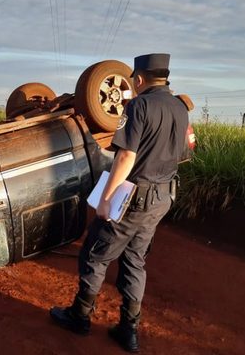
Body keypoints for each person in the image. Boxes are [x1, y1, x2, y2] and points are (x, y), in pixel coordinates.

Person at [49, 54, 189, 353]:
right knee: (135, 259)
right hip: (162, 197)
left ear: (138, 79)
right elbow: (182, 153)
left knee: (95, 255)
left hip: (132, 197)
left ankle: (80, 316)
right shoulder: (180, 107)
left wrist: (107, 198)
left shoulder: (139, 105)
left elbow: (126, 156)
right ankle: (129, 330)